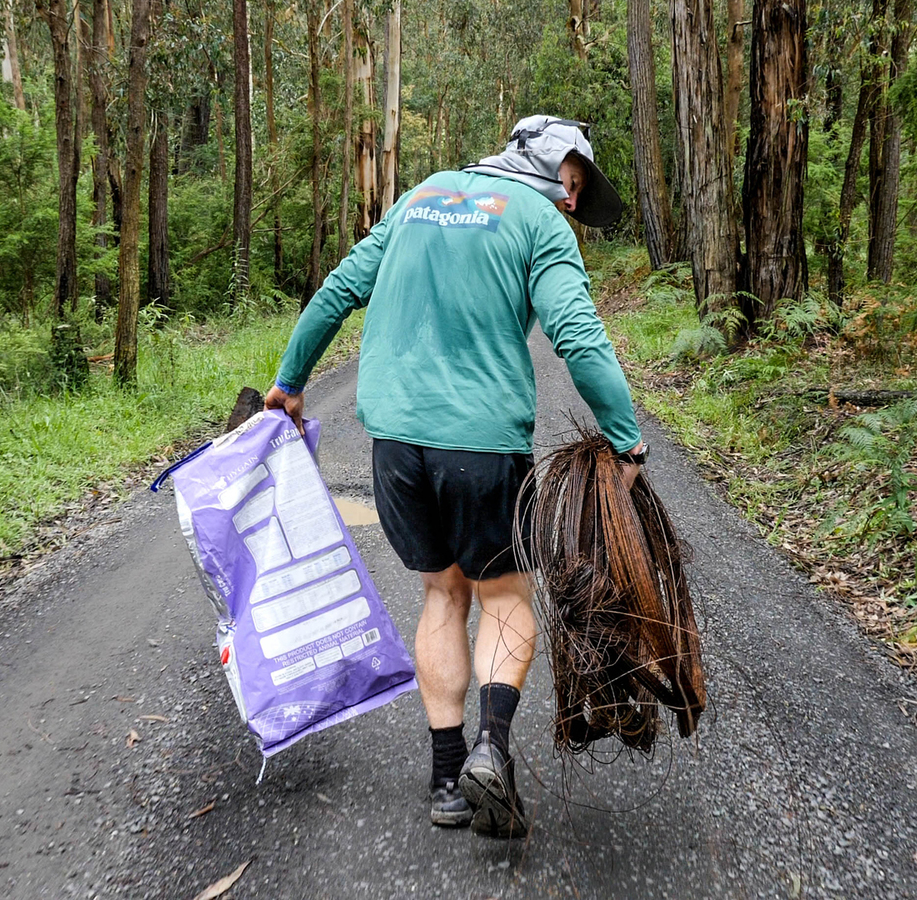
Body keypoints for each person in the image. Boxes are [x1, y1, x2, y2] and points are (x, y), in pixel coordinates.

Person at [264, 115, 646, 840]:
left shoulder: (422, 195)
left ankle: (446, 780)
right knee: (503, 595)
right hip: (482, 445)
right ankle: (491, 750)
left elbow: (341, 288)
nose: (572, 202)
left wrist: (290, 378)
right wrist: (627, 443)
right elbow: (579, 337)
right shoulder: (539, 222)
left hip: (396, 442)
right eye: (571, 184)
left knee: (442, 591)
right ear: (548, 166)